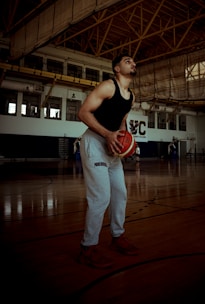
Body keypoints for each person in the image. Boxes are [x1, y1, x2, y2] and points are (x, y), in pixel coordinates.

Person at [78, 54, 139, 269]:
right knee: (101, 196)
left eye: (133, 61)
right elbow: (83, 113)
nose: (132, 62)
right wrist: (107, 134)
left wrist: (127, 143)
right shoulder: (107, 87)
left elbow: (122, 123)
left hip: (112, 147)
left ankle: (117, 236)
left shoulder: (130, 97)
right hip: (95, 142)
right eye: (127, 60)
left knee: (120, 193)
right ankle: (88, 247)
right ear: (116, 68)